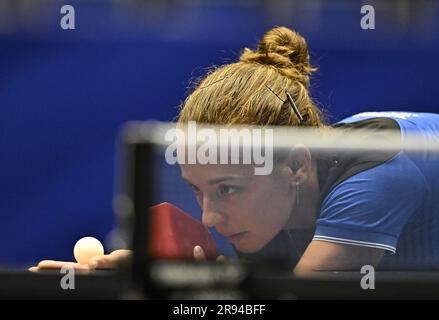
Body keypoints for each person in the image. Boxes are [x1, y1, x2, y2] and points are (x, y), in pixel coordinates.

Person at [31, 26, 439, 274]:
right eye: (197, 190)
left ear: (296, 164)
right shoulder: (279, 200)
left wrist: (164, 285)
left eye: (227, 189)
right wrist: (146, 270)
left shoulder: (373, 183)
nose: (208, 218)